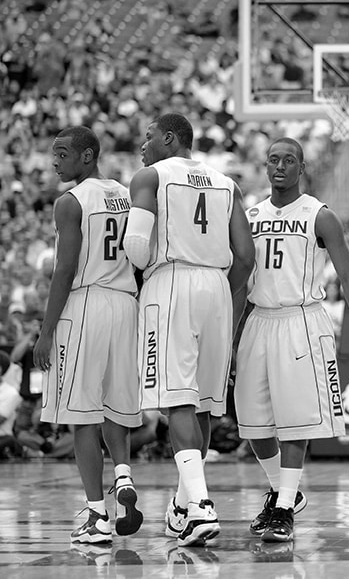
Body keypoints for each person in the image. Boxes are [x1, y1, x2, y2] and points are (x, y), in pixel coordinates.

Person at [235, 137, 349, 543]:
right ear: (265, 167)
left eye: (289, 160)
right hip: (259, 319)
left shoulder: (319, 215)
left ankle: (282, 508)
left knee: (295, 420)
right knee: (254, 423)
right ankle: (286, 491)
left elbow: (348, 276)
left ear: (302, 168)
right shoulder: (251, 215)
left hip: (301, 319)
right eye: (273, 159)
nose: (280, 166)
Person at [123, 113, 255, 547]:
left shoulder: (150, 176)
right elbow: (246, 257)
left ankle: (200, 507)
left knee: (176, 396)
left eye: (147, 137)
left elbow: (136, 249)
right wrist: (220, 290)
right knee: (202, 404)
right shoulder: (226, 183)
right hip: (217, 286)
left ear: (168, 138)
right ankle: (183, 506)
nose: (142, 146)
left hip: (172, 281)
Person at [31, 126, 143, 543]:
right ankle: (124, 476)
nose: (55, 162)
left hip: (86, 305)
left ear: (88, 156)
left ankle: (97, 514)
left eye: (62, 154)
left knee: (81, 416)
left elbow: (64, 270)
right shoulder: (125, 193)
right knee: (116, 407)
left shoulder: (70, 202)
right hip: (124, 302)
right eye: (53, 154)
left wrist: (47, 332)